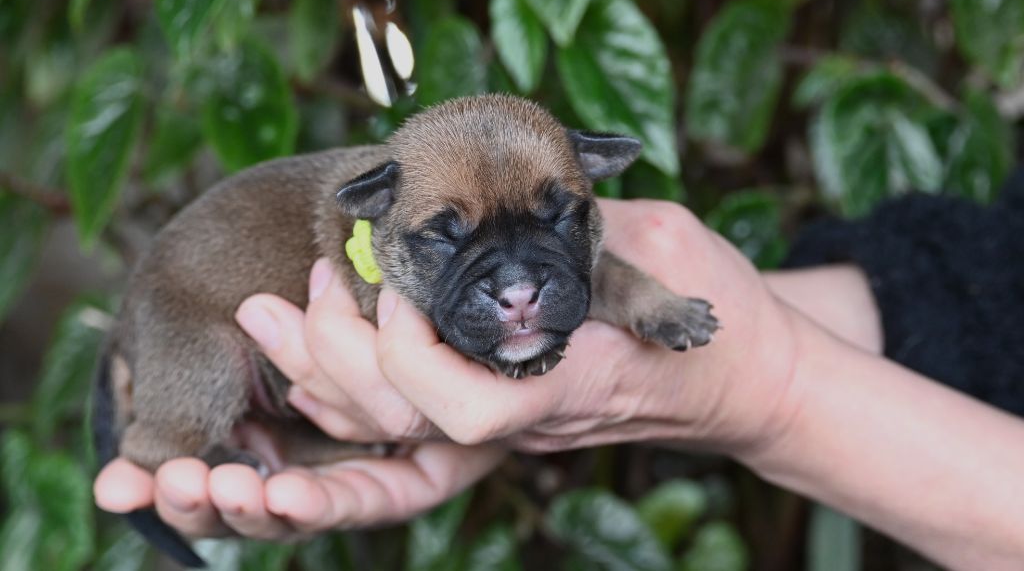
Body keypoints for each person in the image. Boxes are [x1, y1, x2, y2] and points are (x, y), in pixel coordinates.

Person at [94, 180, 1024, 571]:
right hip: (194, 319)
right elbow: (1002, 277)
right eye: (452, 238)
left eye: (553, 224)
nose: (516, 290)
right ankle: (171, 433)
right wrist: (753, 326)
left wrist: (772, 390)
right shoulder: (373, 219)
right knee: (192, 412)